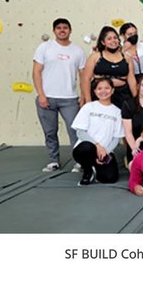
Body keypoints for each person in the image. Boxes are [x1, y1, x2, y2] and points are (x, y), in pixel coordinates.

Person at [32, 18, 86, 172]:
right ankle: (53, 160)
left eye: (65, 28)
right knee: (50, 131)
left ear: (70, 30)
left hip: (69, 99)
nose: (62, 30)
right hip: (47, 97)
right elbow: (36, 71)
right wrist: (41, 95)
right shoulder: (44, 48)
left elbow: (83, 76)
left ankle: (79, 161)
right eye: (59, 28)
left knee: (75, 130)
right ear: (54, 30)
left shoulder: (78, 51)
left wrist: (83, 96)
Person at [71, 77, 125, 186]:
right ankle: (88, 171)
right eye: (99, 88)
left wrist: (105, 152)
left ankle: (96, 167)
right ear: (95, 91)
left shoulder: (117, 112)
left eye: (107, 88)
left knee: (110, 178)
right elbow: (80, 132)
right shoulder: (89, 107)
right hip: (87, 148)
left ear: (112, 90)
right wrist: (97, 146)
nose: (103, 91)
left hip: (105, 151)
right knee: (86, 148)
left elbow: (116, 138)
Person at [82, 26, 137, 108]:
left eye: (115, 38)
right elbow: (86, 79)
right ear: (103, 42)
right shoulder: (95, 57)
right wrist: (88, 101)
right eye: (109, 38)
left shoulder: (127, 58)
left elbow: (131, 79)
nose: (113, 41)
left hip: (122, 96)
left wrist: (136, 100)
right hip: (99, 96)